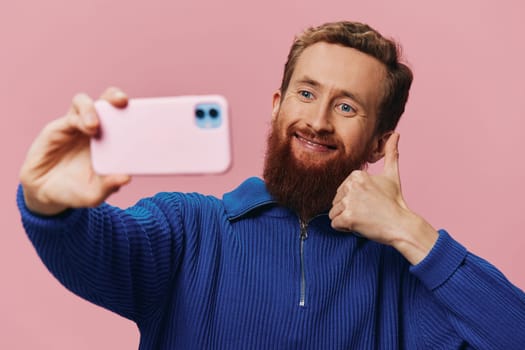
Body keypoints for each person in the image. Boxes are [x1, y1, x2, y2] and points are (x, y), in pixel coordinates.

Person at [17, 21, 525, 349]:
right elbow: (97, 246)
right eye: (306, 93)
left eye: (347, 107)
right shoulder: (188, 229)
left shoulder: (403, 278)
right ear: (277, 104)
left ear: (378, 143)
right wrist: (49, 204)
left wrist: (412, 234)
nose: (319, 121)